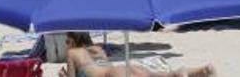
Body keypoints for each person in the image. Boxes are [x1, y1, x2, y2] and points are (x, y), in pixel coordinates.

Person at [61, 32, 215, 77]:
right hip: (125, 69)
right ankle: (199, 70)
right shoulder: (98, 49)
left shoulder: (73, 53)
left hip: (114, 75)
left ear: (73, 40)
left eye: (67, 41)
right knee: (164, 76)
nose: (66, 45)